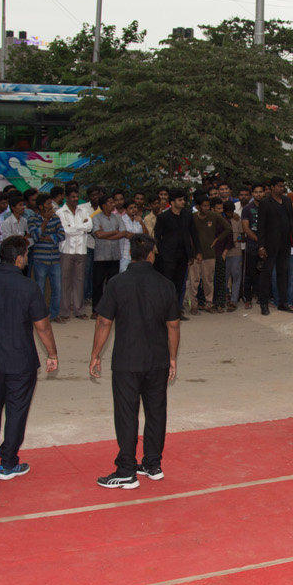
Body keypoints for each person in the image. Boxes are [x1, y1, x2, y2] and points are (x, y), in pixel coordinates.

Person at [90, 235, 180, 489]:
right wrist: (172, 357)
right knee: (156, 412)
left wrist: (95, 354)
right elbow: (173, 325)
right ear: (151, 253)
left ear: (130, 253)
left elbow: (104, 321)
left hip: (127, 360)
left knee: (127, 413)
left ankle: (126, 469)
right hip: (157, 359)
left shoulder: (117, 283)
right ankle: (153, 464)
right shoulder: (166, 284)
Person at [0, 236, 59, 480]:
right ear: (18, 258)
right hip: (21, 359)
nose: (26, 259)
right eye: (25, 254)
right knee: (17, 410)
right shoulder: (28, 286)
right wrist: (52, 353)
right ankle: (8, 463)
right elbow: (42, 326)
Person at [256, 178, 293, 315]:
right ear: (272, 187)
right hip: (269, 245)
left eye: (282, 186)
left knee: (283, 273)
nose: (281, 188)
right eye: (279, 186)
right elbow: (260, 227)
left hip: (285, 244)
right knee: (266, 274)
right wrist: (261, 246)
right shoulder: (265, 203)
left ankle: (283, 303)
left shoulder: (287, 201)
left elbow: (291, 222)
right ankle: (264, 304)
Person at [152, 193, 195, 313]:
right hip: (168, 257)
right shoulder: (163, 217)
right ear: (172, 202)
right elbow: (157, 236)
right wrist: (162, 252)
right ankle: (164, 311)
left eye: (183, 200)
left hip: (183, 255)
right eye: (180, 200)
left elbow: (192, 234)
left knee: (179, 284)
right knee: (167, 284)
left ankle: (175, 311)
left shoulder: (187, 215)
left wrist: (191, 254)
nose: (183, 202)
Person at [57, 188, 92, 320]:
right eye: (73, 197)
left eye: (77, 197)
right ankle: (64, 311)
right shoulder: (60, 212)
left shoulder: (83, 210)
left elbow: (90, 226)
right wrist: (81, 228)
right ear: (67, 198)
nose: (76, 199)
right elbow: (66, 230)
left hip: (81, 250)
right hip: (66, 251)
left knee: (79, 281)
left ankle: (79, 310)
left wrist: (76, 228)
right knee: (65, 282)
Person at [91, 196, 127, 308]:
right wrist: (114, 232)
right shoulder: (96, 218)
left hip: (115, 256)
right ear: (104, 205)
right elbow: (98, 234)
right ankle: (96, 309)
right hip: (101, 256)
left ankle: (111, 308)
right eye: (110, 202)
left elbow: (123, 232)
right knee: (98, 283)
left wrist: (107, 235)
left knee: (113, 284)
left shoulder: (117, 217)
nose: (114, 204)